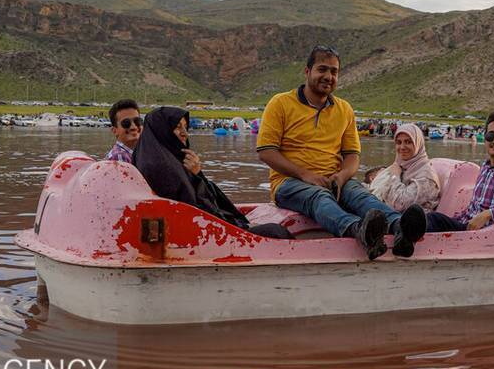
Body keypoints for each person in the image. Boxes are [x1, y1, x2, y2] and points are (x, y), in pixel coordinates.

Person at [257, 45, 426, 260]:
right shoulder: (280, 103)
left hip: (333, 178)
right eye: (322, 69)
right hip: (289, 183)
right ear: (307, 72)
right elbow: (266, 152)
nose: (328, 76)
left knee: (360, 196)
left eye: (334, 72)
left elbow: (352, 156)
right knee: (319, 196)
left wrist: (342, 176)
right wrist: (305, 174)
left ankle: (400, 228)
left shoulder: (344, 109)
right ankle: (359, 231)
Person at [134, 106, 292, 240]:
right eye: (177, 127)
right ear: (163, 131)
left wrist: (197, 174)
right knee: (275, 232)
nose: (184, 133)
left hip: (199, 231)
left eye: (185, 127)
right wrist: (197, 177)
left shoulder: (162, 159)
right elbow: (197, 211)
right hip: (201, 236)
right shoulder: (163, 168)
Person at [368, 123, 441, 212]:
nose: (402, 147)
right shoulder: (401, 166)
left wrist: (395, 176)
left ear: (418, 144)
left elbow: (399, 205)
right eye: (399, 142)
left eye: (408, 142)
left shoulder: (427, 178)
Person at [105, 99, 141, 163]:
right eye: (126, 123)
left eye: (137, 121)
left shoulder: (135, 154)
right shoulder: (119, 156)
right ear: (114, 131)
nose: (134, 127)